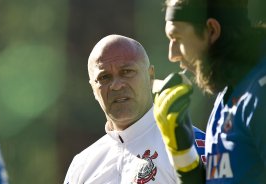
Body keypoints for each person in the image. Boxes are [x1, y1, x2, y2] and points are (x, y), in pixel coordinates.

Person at [64, 34, 205, 184]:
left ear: (150, 76)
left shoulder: (190, 144)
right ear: (93, 88)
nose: (117, 85)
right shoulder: (81, 165)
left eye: (127, 72)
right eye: (104, 77)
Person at [154, 0, 266, 183]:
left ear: (212, 30)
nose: (172, 54)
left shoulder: (260, 94)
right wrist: (181, 153)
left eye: (177, 38)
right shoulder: (229, 91)